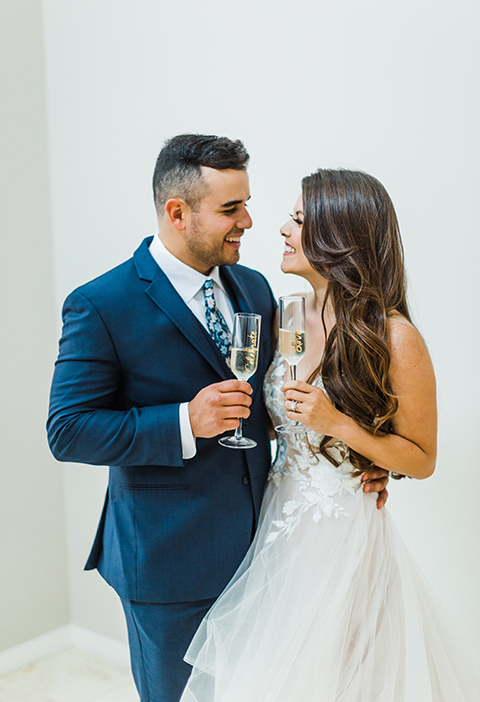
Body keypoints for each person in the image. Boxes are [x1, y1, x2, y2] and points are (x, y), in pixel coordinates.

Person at [47, 138, 389, 702]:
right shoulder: (102, 304)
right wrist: (184, 421)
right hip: (168, 566)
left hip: (266, 552)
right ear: (178, 213)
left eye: (247, 203)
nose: (249, 221)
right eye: (231, 209)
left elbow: (288, 403)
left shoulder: (254, 287)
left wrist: (359, 464)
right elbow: (68, 430)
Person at [180, 169, 480, 701]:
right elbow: (282, 417)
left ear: (337, 238)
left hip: (341, 534)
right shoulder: (286, 316)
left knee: (336, 676)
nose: (281, 229)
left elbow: (422, 457)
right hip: (274, 523)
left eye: (298, 220)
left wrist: (339, 426)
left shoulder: (395, 337)